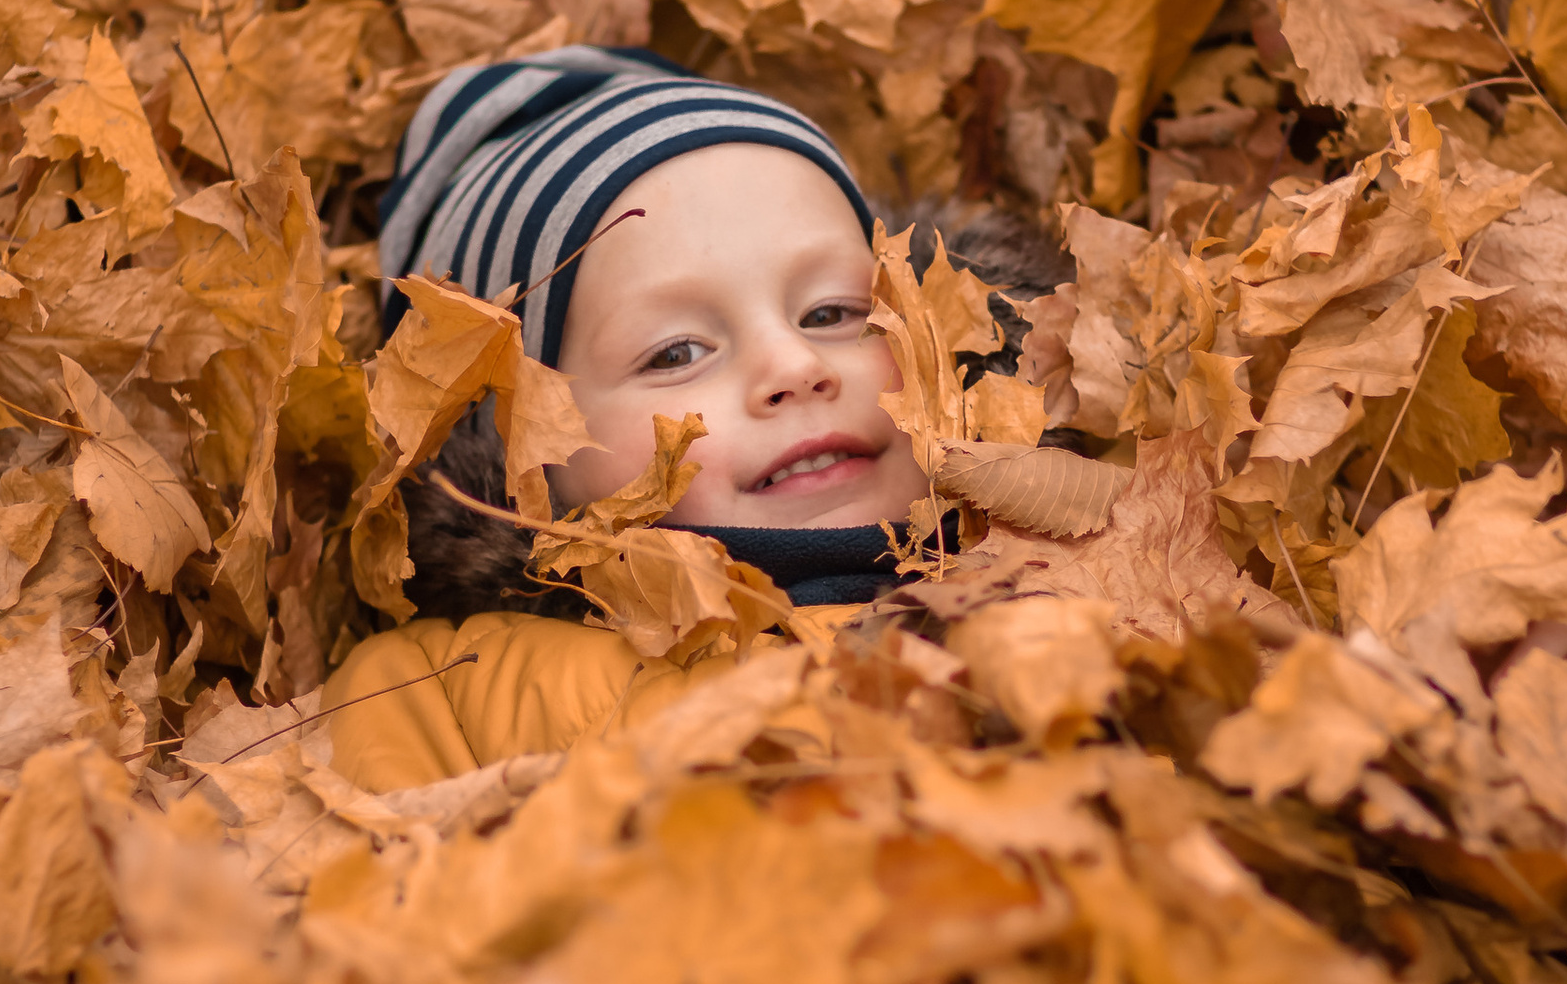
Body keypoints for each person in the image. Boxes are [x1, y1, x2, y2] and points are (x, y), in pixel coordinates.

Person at [322, 45, 1050, 793]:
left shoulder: (1101, 554)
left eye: (833, 312)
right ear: (519, 462)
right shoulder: (437, 693)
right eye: (675, 354)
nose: (796, 368)